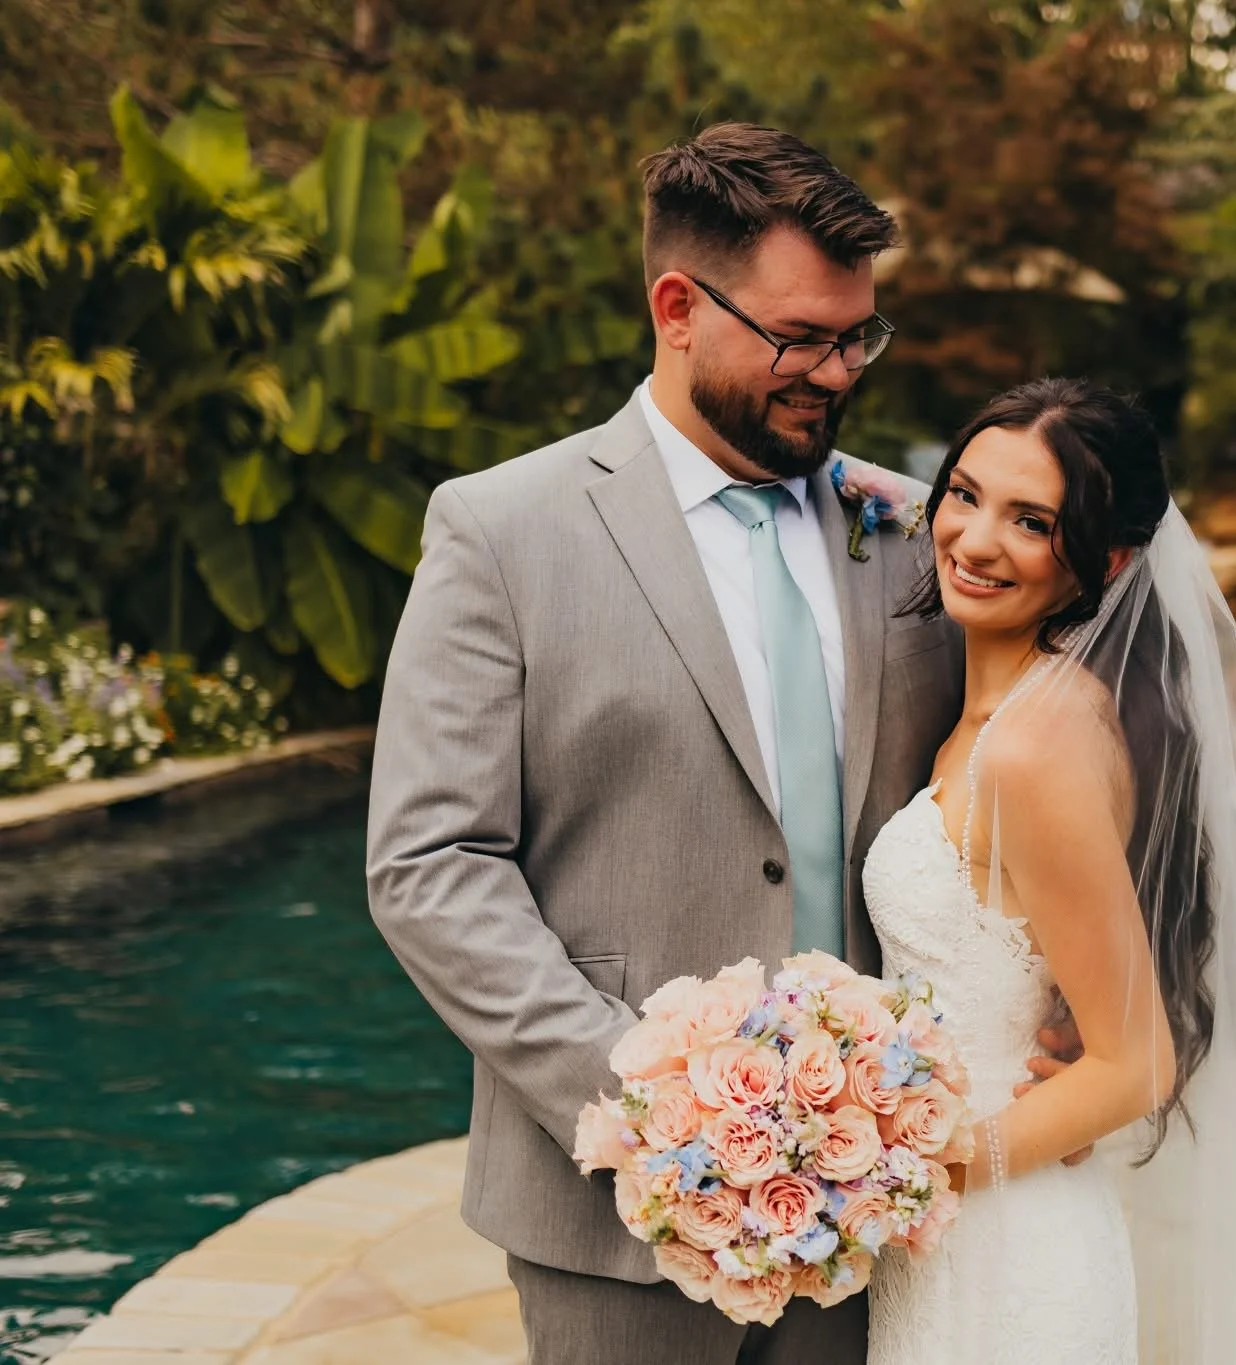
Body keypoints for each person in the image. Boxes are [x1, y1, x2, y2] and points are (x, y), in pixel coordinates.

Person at [365, 122, 954, 1364]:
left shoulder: (908, 533)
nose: (838, 373)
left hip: (877, 1198)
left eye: (859, 337)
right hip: (608, 1212)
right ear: (678, 306)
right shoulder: (499, 531)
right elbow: (431, 864)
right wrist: (645, 1097)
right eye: (799, 337)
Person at [860, 379, 1236, 1365]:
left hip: (1001, 1246)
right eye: (961, 494)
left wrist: (898, 1170)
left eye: (1031, 522)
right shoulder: (1048, 705)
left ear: (1105, 560)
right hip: (956, 1228)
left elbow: (1137, 1061)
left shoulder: (1032, 750)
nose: (971, 541)